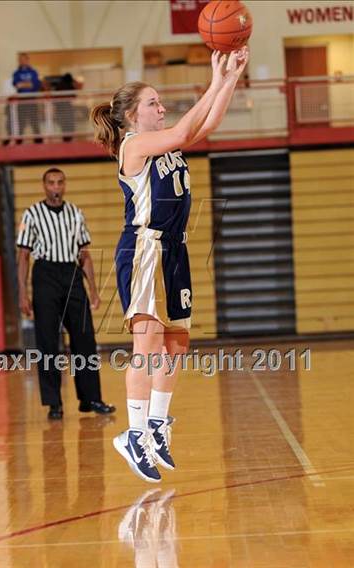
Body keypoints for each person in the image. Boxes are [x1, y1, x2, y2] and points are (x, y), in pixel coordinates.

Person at [91, 47, 249, 482]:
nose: (161, 108)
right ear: (130, 115)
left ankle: (158, 423)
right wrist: (213, 81)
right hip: (144, 248)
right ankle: (133, 433)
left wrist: (231, 76)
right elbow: (183, 130)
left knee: (177, 341)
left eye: (160, 103)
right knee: (148, 342)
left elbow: (206, 124)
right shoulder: (136, 145)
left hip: (174, 249)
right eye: (152, 103)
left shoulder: (165, 143)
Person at [16, 167, 115, 420]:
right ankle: (54, 403)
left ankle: (91, 398)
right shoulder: (32, 214)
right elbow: (24, 256)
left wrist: (93, 289)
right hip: (45, 274)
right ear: (44, 186)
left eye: (60, 182)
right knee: (48, 341)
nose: (56, 187)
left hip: (71, 274)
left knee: (85, 338)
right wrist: (22, 293)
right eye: (51, 183)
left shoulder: (75, 214)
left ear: (65, 185)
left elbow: (85, 255)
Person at [12, 53, 42, 143]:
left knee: (35, 122)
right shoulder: (16, 73)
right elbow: (17, 85)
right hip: (21, 101)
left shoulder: (33, 72)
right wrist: (28, 84)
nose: (22, 61)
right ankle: (19, 141)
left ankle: (38, 141)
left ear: (27, 60)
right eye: (20, 60)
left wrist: (24, 84)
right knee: (21, 122)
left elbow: (36, 85)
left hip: (32, 100)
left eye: (24, 59)